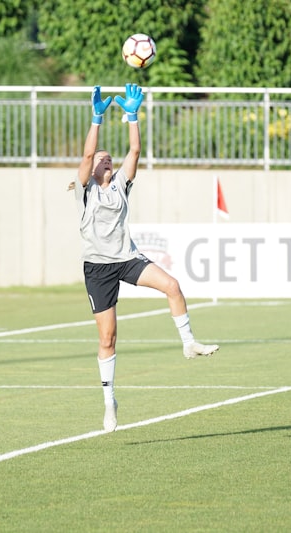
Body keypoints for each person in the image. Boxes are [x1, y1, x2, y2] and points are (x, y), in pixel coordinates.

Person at [72, 83, 219, 433]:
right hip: (98, 269)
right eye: (101, 158)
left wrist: (132, 115)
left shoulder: (121, 184)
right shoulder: (84, 191)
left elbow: (135, 149)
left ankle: (189, 344)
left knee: (172, 285)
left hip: (127, 258)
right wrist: (96, 119)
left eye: (109, 158)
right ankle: (110, 403)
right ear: (92, 169)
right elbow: (86, 155)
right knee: (108, 338)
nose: (105, 160)